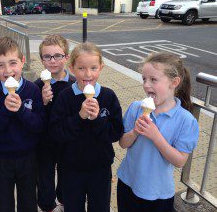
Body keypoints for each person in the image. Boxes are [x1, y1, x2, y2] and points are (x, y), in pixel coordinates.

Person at [117, 52, 199, 212]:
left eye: (153, 79)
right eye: (144, 79)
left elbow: (180, 161)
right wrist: (134, 132)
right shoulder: (136, 107)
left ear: (174, 82)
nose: (146, 85)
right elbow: (122, 143)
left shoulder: (186, 120)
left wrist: (156, 137)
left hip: (158, 192)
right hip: (128, 182)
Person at [49, 42, 124, 212]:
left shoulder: (108, 96)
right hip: (71, 168)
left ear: (101, 68)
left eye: (93, 68)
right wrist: (79, 117)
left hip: (100, 167)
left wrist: (97, 119)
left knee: (100, 207)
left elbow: (115, 133)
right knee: (73, 207)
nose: (88, 74)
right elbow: (56, 133)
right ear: (72, 68)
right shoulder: (65, 96)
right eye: (81, 68)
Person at [0, 36, 45, 212]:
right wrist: (5, 111)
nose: (8, 70)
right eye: (0, 65)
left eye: (13, 63)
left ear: (22, 62)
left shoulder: (32, 90)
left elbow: (39, 125)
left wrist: (22, 110)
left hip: (28, 157)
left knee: (28, 201)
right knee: (2, 203)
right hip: (1, 158)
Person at [34, 35, 76, 212]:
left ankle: (65, 201)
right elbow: (32, 118)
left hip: (67, 141)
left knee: (67, 175)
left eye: (57, 56)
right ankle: (48, 206)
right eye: (47, 56)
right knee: (45, 177)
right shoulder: (36, 86)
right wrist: (42, 103)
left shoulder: (75, 85)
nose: (52, 61)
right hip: (44, 141)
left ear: (66, 57)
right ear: (42, 59)